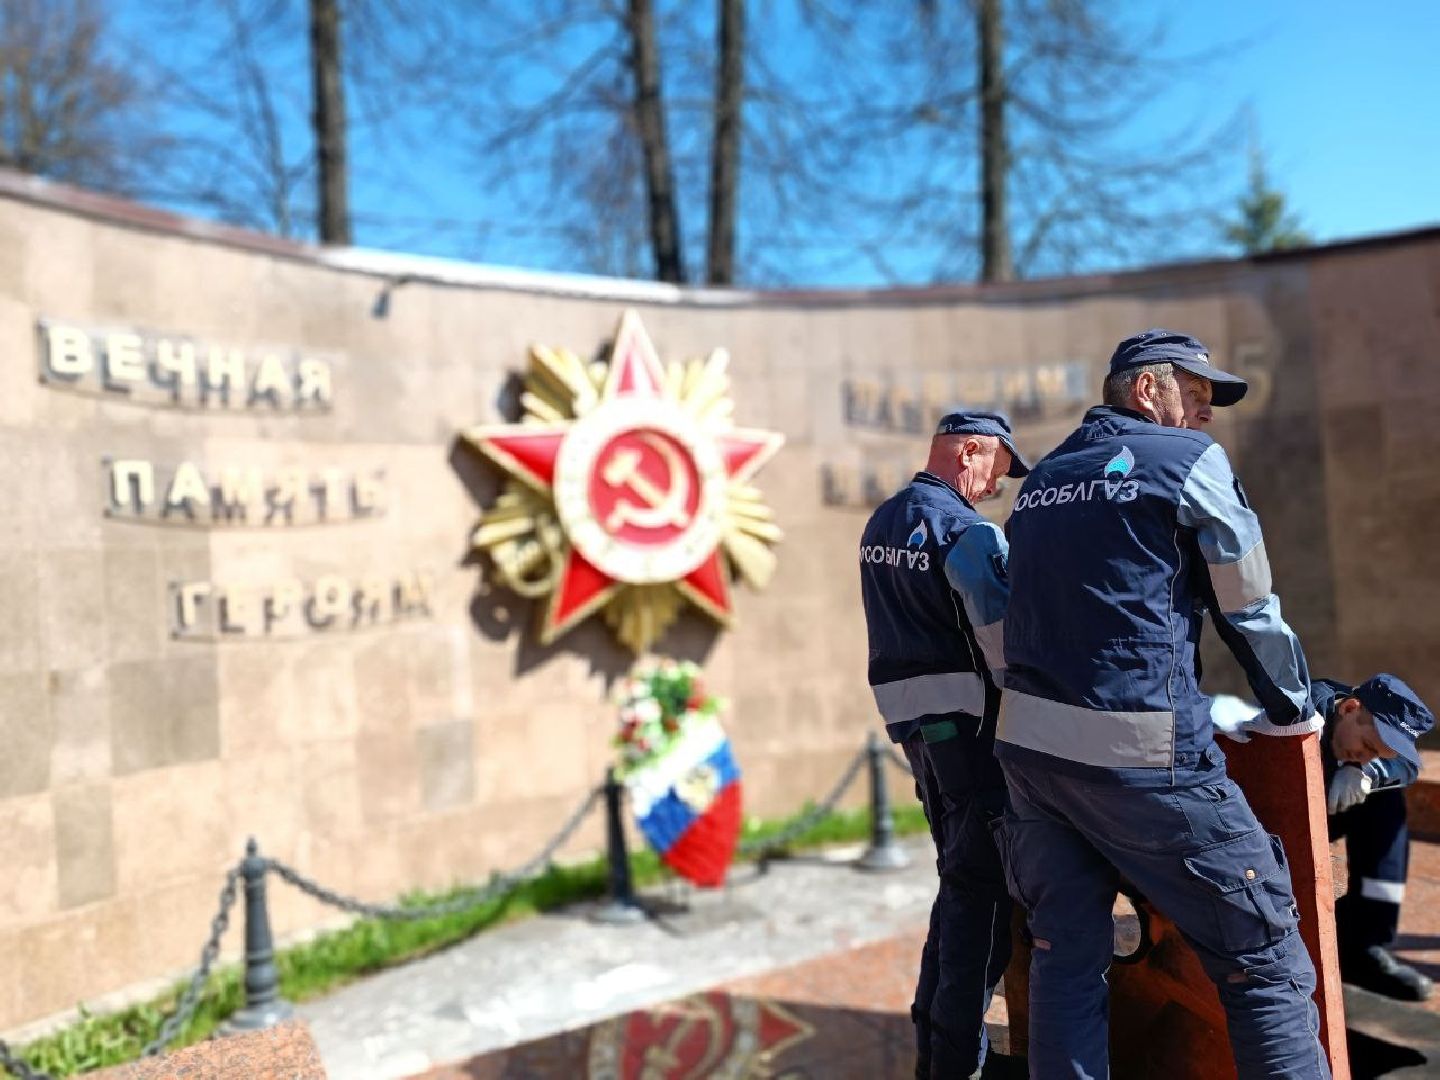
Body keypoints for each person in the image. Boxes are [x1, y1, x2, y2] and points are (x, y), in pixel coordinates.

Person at [996, 328, 1330, 1078]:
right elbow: (1248, 606)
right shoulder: (1186, 462)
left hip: (1033, 762)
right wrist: (1293, 707)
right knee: (1266, 960)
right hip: (1146, 759)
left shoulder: (1044, 478)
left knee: (1066, 958)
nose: (1209, 412)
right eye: (1199, 391)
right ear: (1148, 390)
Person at [859, 408, 1029, 1079]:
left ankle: (933, 1049)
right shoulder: (964, 529)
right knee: (983, 910)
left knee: (958, 886)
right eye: (997, 467)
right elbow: (1004, 641)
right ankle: (955, 1065)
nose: (997, 485)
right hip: (972, 737)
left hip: (919, 734)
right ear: (969, 452)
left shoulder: (882, 522)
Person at [1216, 673, 1436, 1000]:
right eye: (1367, 747)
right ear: (1349, 708)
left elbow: (1407, 767)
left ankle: (1361, 946)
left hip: (1320, 813)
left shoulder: (1361, 736)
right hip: (1255, 830)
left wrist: (1364, 770)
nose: (1366, 755)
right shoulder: (1294, 714)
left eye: (1376, 754)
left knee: (1387, 802)